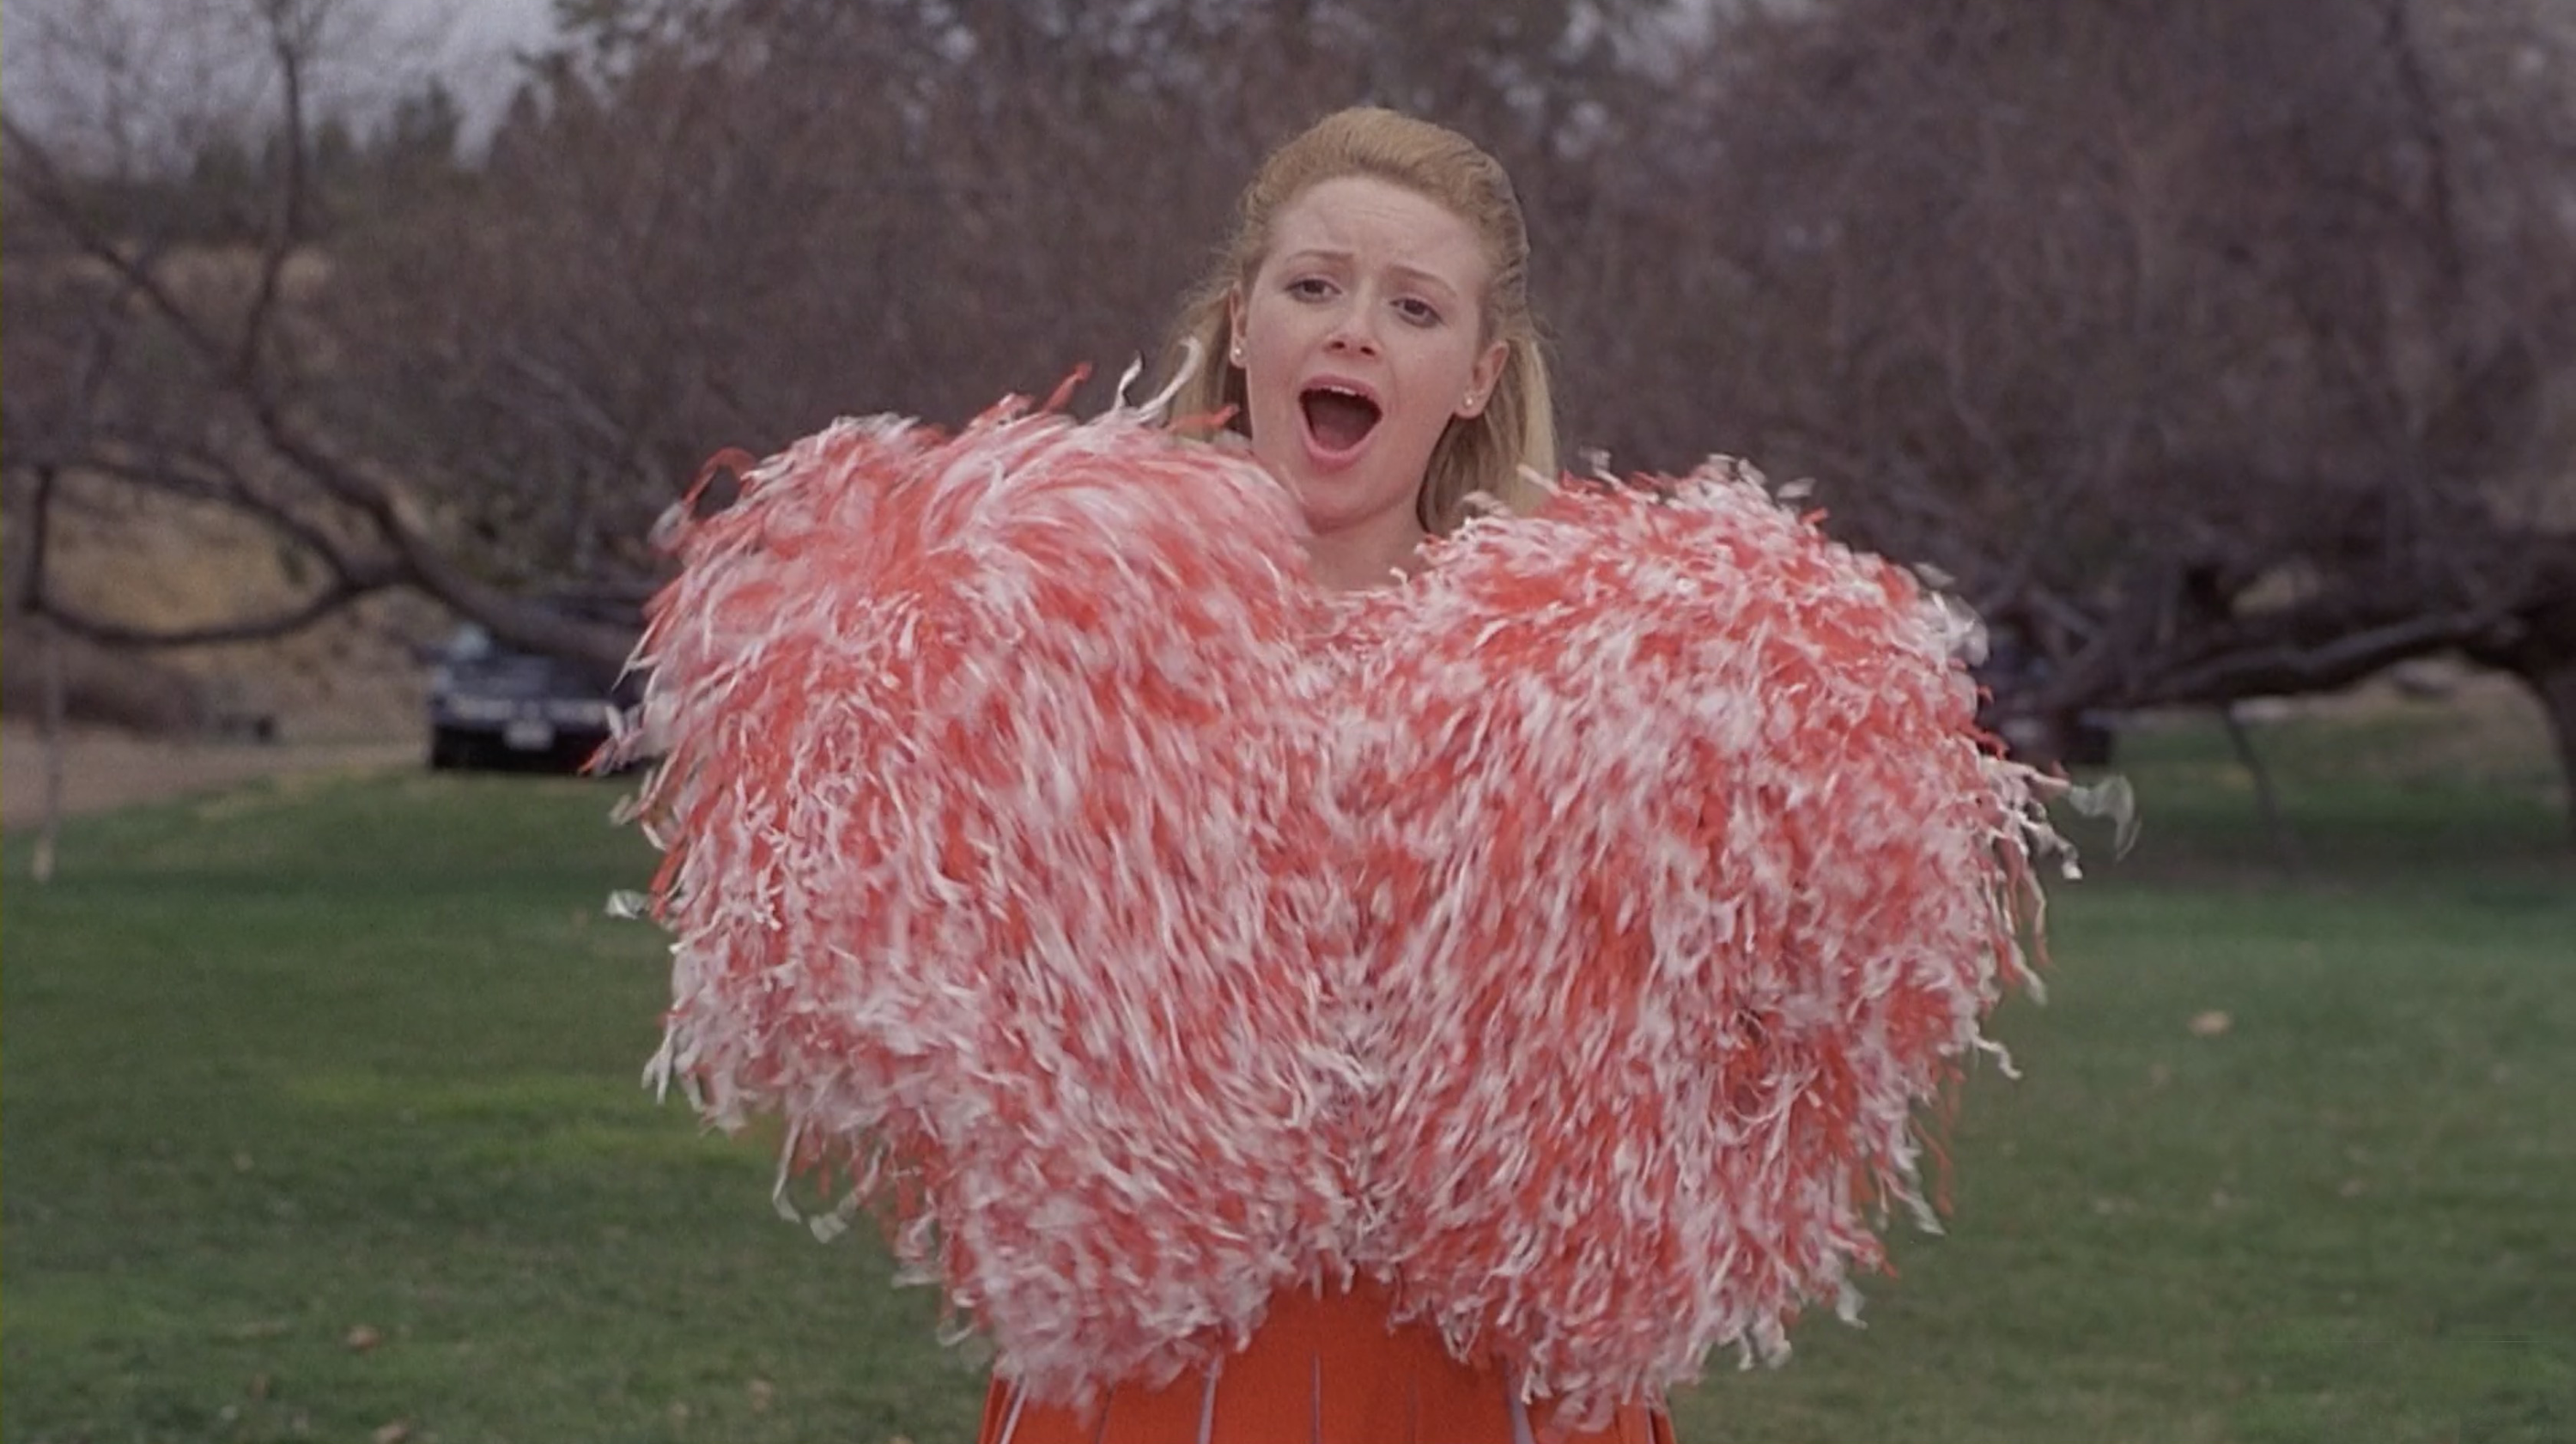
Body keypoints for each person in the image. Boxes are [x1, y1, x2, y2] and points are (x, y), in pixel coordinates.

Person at [971, 106, 1680, 1444]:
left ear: (1478, 373)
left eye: (1414, 307)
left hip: (1481, 1364)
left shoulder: (1584, 676)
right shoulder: (1074, 639)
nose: (1353, 329)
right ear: (1245, 325)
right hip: (1157, 1363)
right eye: (1314, 286)